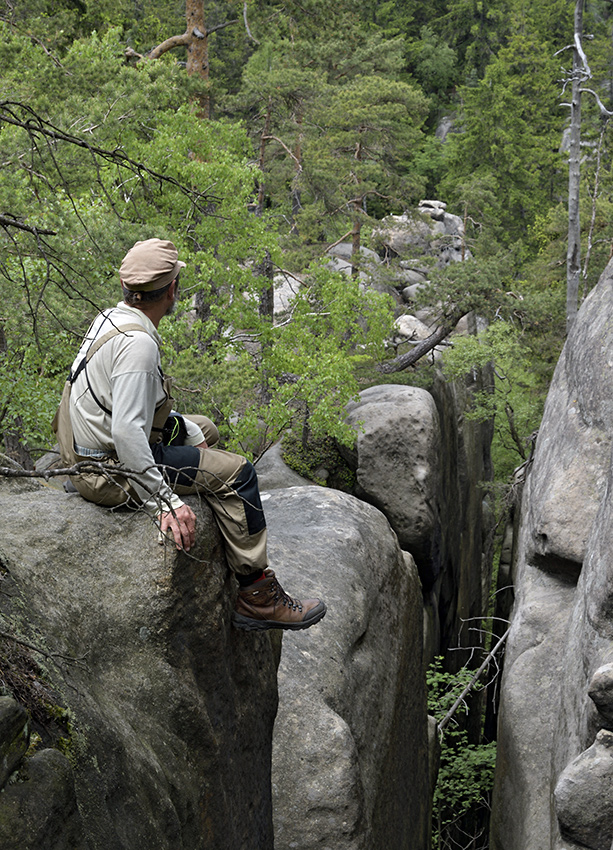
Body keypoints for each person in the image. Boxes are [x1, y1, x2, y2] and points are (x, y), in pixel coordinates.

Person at [53, 238, 326, 632]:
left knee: (206, 430)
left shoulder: (112, 319)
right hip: (112, 470)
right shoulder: (139, 346)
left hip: (86, 454)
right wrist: (165, 500)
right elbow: (128, 430)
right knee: (239, 474)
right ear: (172, 290)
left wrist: (190, 429)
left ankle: (84, 480)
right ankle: (257, 597)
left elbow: (123, 406)